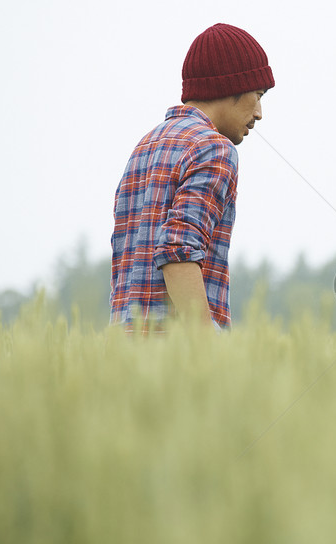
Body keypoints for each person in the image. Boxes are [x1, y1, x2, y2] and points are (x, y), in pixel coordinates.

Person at [110, 23, 274, 332]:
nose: (260, 112)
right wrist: (206, 350)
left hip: (121, 356)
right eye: (258, 94)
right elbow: (178, 251)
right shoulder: (215, 149)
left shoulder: (145, 146)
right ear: (231, 87)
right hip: (176, 360)